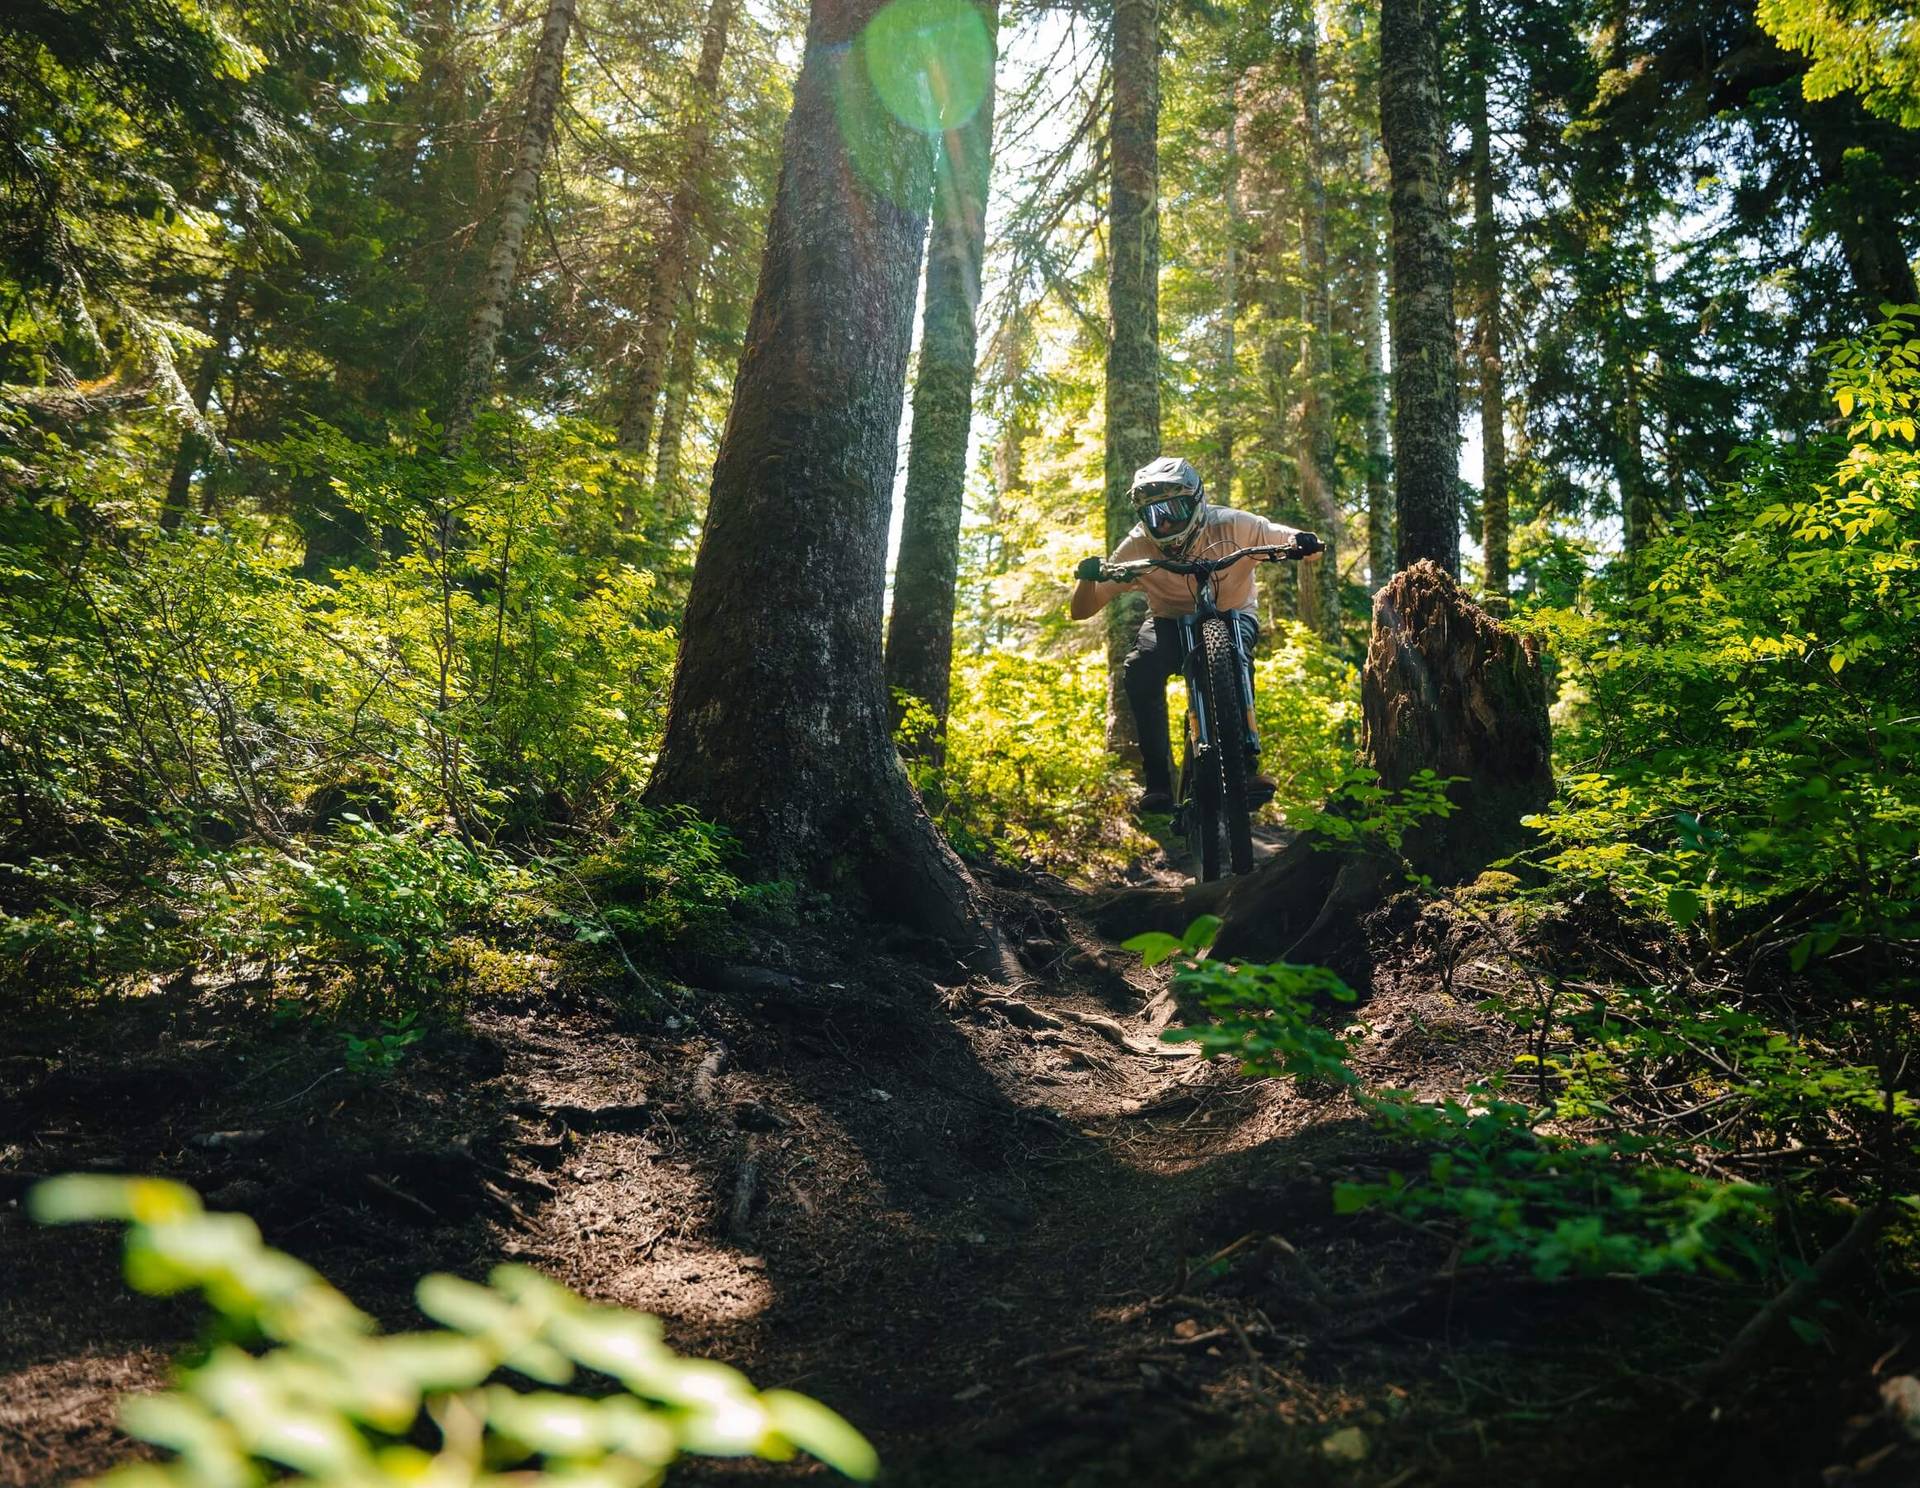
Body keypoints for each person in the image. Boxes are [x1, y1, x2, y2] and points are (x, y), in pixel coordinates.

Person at [1069, 455, 1322, 813]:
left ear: (1196, 502)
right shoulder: (1138, 545)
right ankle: (1158, 782)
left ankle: (1246, 766)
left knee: (1236, 657)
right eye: (1155, 515)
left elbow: (1290, 540)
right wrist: (1087, 578)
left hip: (1233, 613)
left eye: (1174, 508)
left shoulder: (1235, 525)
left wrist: (1302, 543)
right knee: (1141, 668)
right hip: (1169, 621)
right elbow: (1083, 610)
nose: (1166, 521)